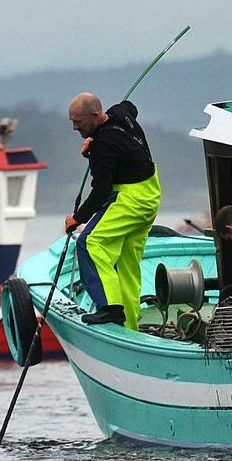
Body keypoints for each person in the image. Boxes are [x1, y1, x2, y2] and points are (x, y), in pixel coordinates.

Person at [66, 92, 161, 329]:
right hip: (150, 196)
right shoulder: (121, 113)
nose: (75, 128)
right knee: (126, 265)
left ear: (95, 115)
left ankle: (110, 308)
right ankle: (129, 327)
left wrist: (77, 219)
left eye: (78, 122)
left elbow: (101, 191)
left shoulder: (103, 147)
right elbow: (131, 105)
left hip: (130, 200)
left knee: (90, 244)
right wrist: (94, 137)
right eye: (72, 122)